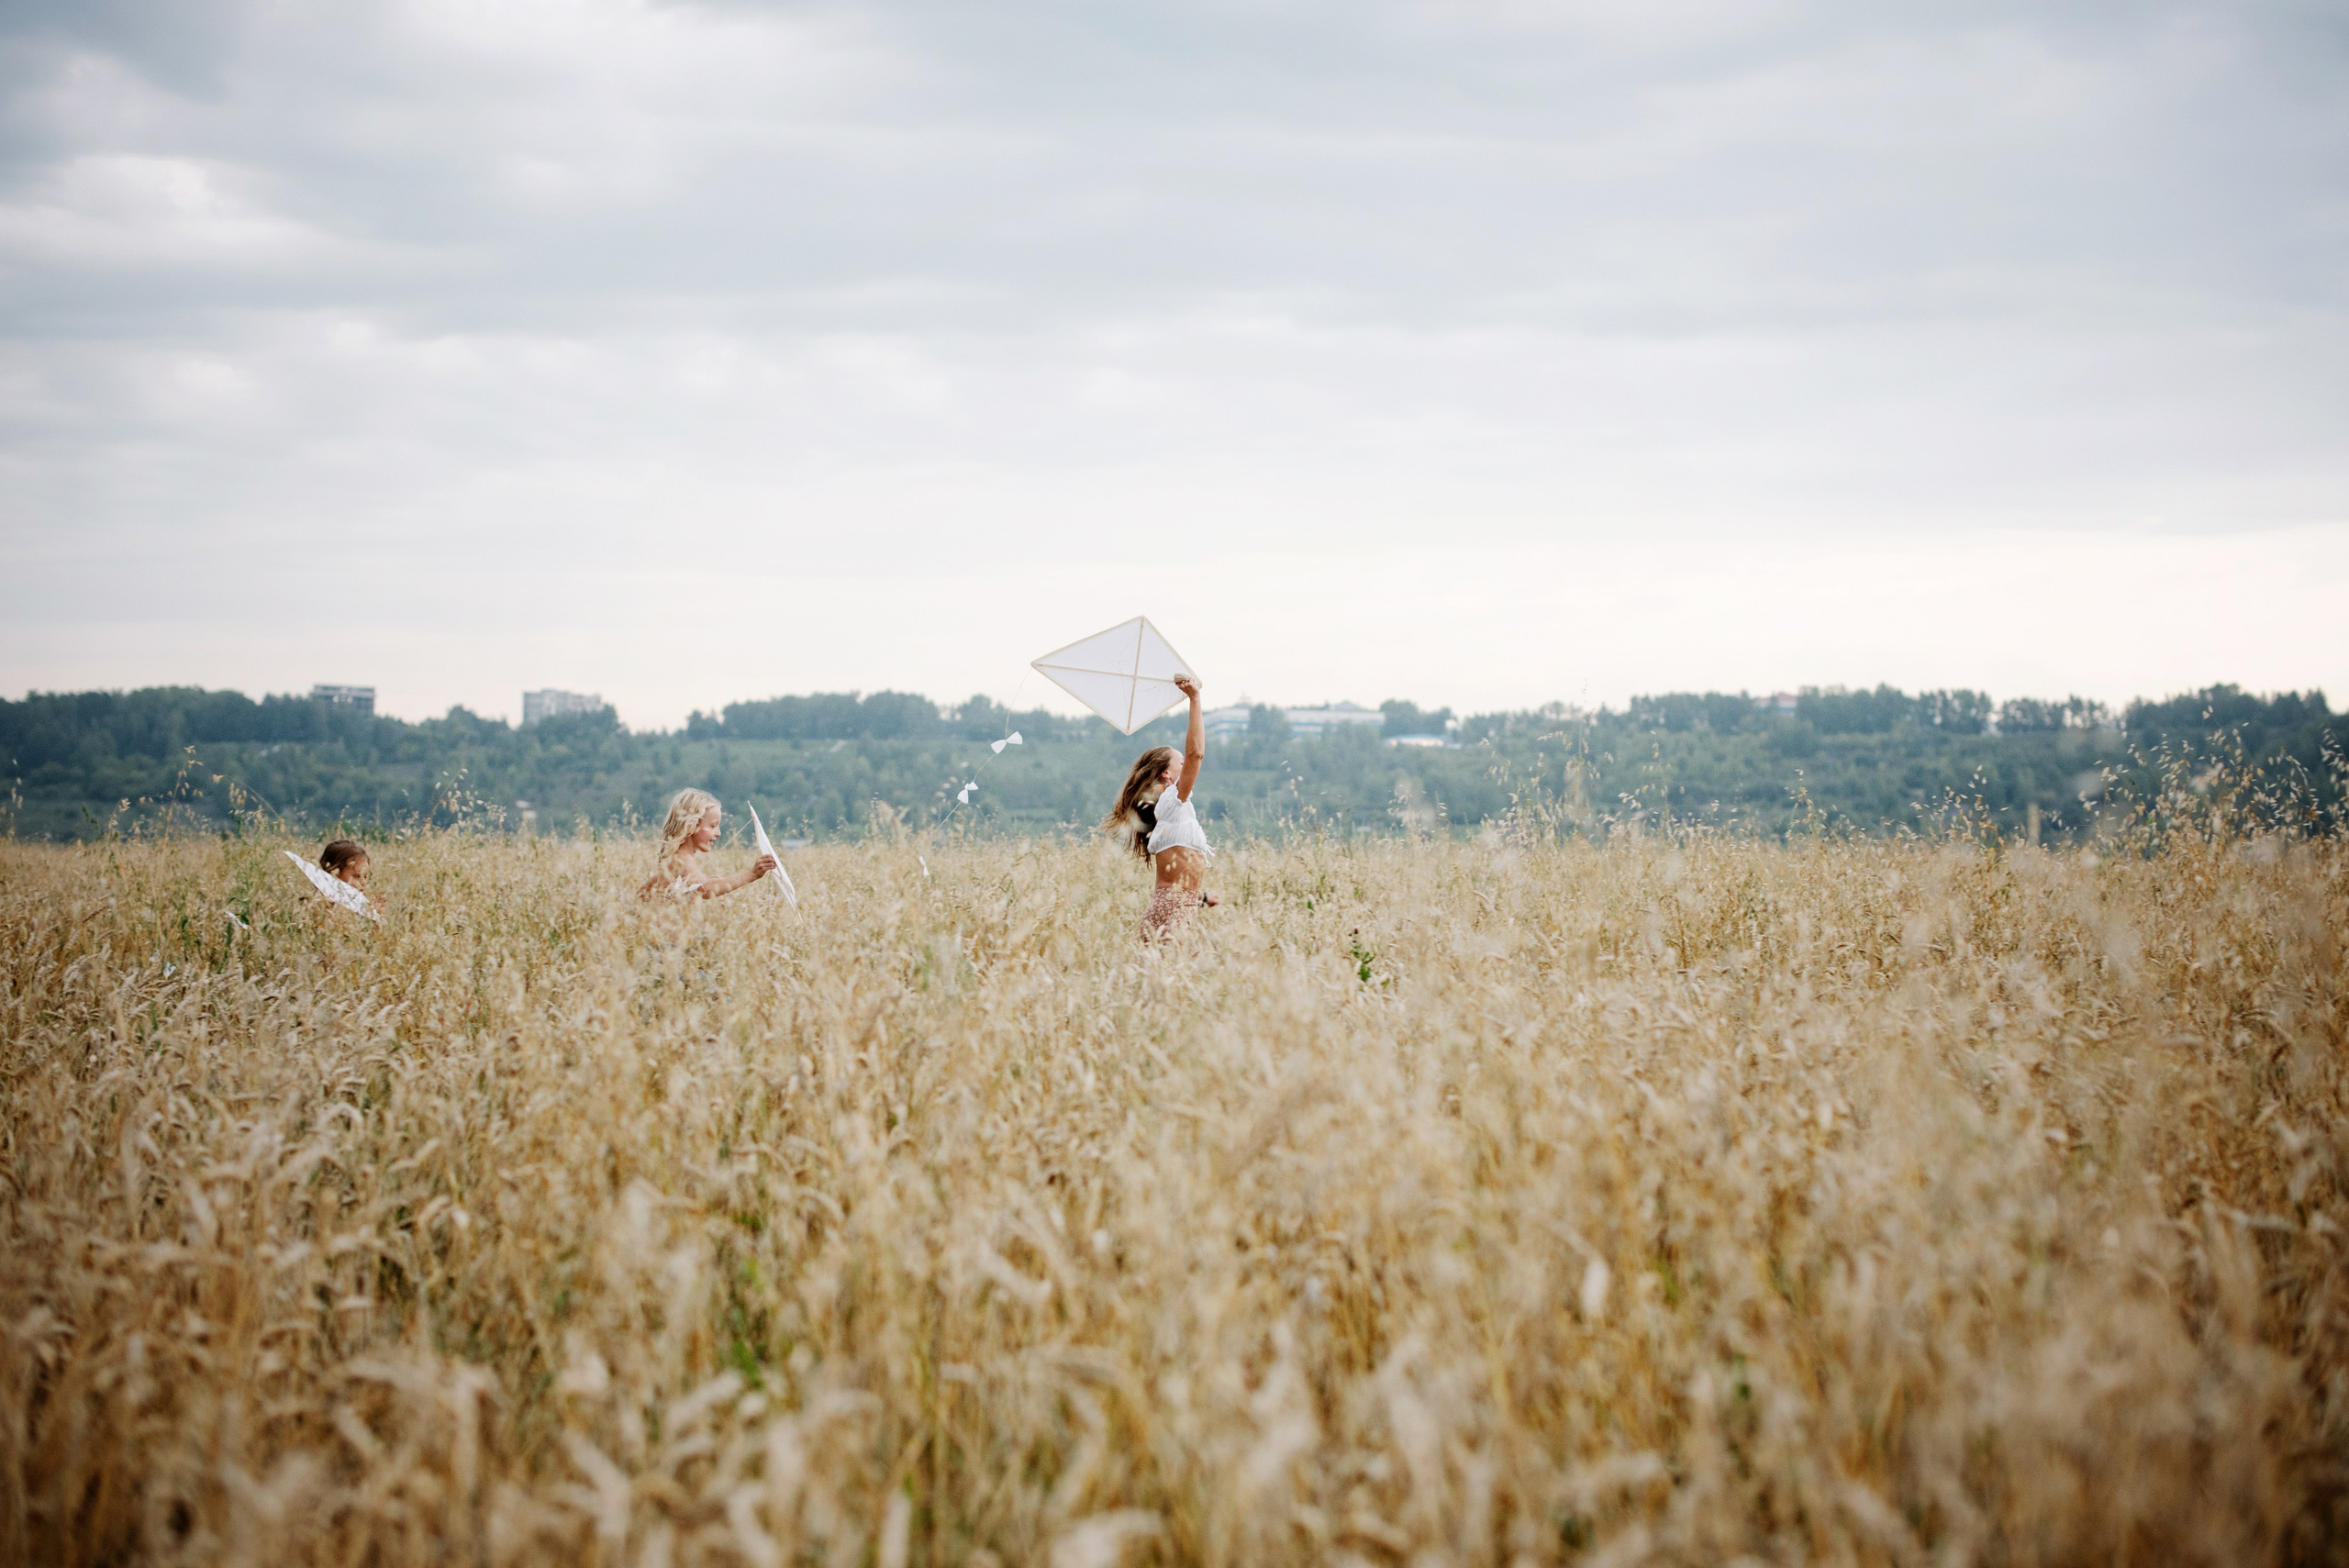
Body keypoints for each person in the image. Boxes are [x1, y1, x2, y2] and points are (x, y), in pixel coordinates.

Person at [1102, 674, 1218, 939]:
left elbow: (1175, 879)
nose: (1186, 766)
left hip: (1173, 907)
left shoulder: (1168, 809)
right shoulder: (1172, 800)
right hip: (1174, 911)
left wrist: (1202, 898)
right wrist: (1195, 698)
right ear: (1166, 773)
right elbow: (1196, 754)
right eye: (1180, 763)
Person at [640, 787, 779, 901]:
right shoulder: (682, 859)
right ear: (691, 826)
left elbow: (643, 892)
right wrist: (751, 874)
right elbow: (705, 889)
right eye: (713, 826)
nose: (718, 833)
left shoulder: (675, 858)